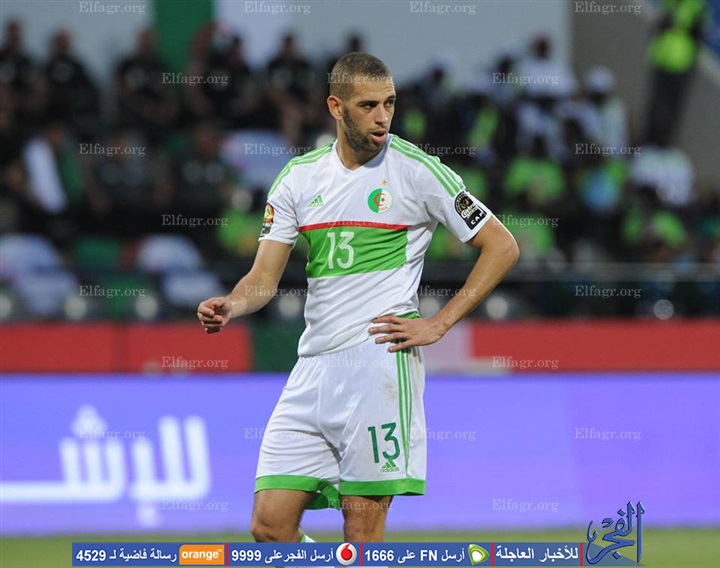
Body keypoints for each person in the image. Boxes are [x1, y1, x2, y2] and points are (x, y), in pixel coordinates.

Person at [197, 53, 519, 545]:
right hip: (312, 369)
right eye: (368, 105)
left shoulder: (418, 171)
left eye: (389, 103)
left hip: (377, 367)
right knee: (269, 526)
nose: (382, 116)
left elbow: (502, 245)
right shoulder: (299, 178)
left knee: (361, 536)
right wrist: (233, 304)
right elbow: (262, 277)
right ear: (336, 107)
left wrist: (439, 323)